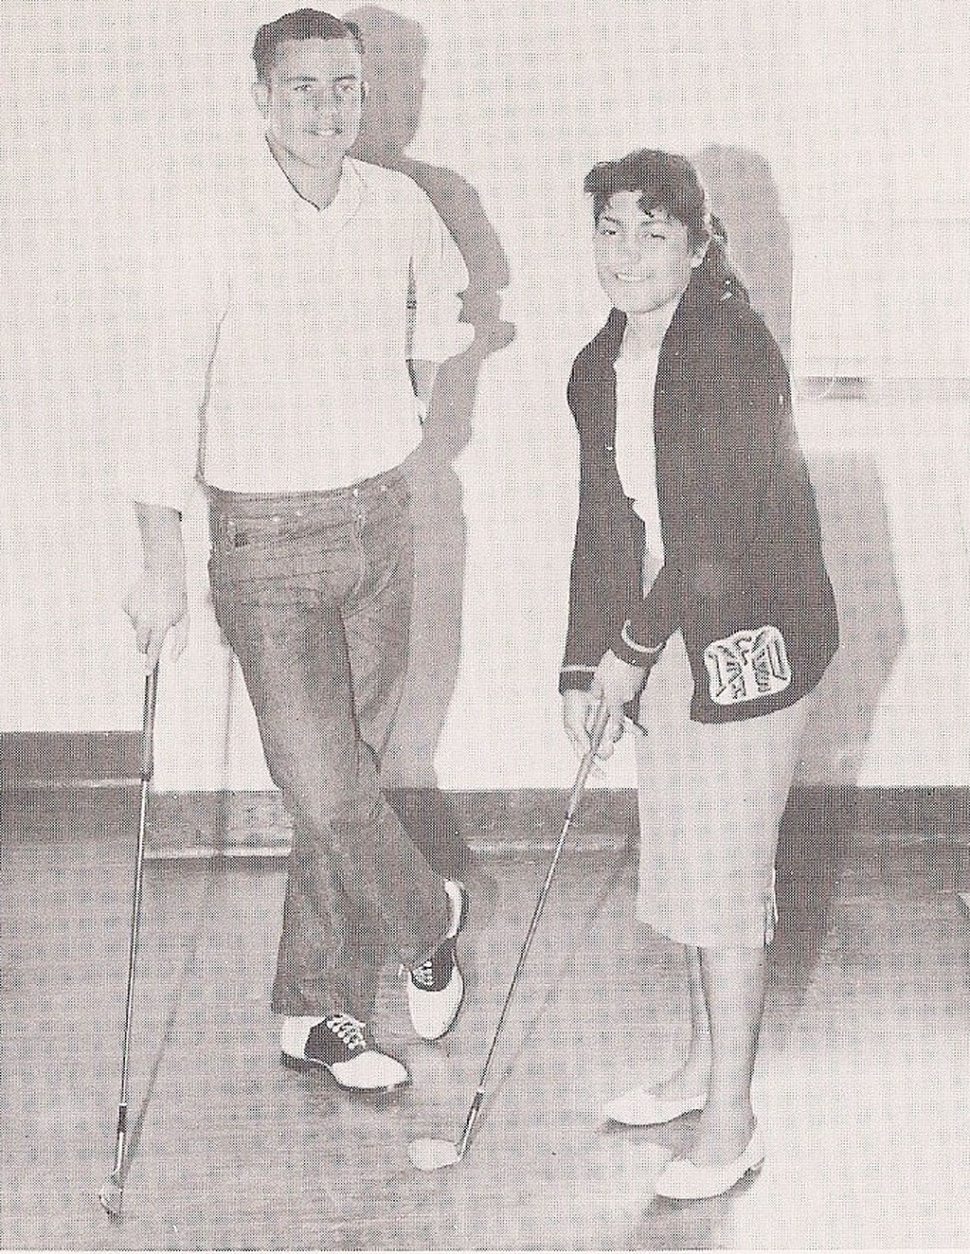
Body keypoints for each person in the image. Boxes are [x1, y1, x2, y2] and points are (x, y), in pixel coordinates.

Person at [125, 9, 476, 1095]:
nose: (328, 107)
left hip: (380, 520)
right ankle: (429, 913)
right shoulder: (209, 218)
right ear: (261, 96)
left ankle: (316, 1014)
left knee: (352, 782)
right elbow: (156, 396)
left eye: (344, 86)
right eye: (304, 87)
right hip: (263, 538)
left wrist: (396, 429)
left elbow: (442, 326)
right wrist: (159, 560)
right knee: (324, 786)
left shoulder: (399, 206)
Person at [559, 149, 838, 1199]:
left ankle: (732, 1117)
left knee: (723, 879)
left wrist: (630, 653)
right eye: (610, 232)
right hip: (671, 627)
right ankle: (694, 1067)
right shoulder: (599, 364)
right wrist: (584, 665)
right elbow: (604, 523)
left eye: (653, 234)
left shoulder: (730, 345)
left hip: (754, 639)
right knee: (681, 859)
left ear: (695, 243)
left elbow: (714, 527)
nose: (627, 255)